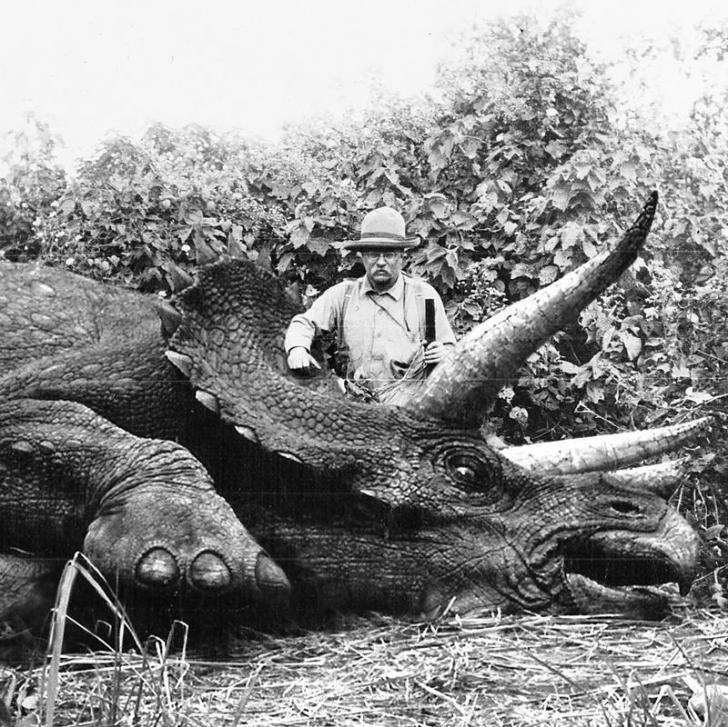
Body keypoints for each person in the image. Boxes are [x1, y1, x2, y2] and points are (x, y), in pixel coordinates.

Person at [284, 207, 456, 401]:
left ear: (402, 257)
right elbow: (304, 323)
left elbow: (451, 353)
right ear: (362, 257)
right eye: (374, 254)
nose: (381, 262)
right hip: (357, 412)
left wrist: (443, 354)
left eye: (389, 254)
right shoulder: (344, 295)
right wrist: (297, 348)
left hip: (410, 414)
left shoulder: (423, 297)